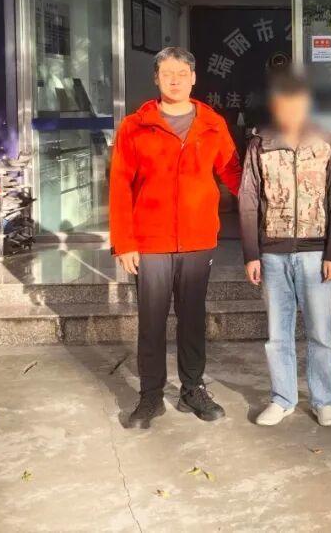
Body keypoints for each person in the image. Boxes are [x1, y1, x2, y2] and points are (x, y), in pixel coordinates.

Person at [110, 47, 242, 429]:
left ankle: (192, 389)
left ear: (194, 78)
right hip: (150, 241)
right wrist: (125, 242)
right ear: (156, 78)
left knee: (193, 318)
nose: (175, 80)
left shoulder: (213, 124)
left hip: (198, 239)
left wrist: (268, 201)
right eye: (167, 73)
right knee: (151, 322)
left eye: (182, 73)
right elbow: (119, 185)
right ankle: (150, 395)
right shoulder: (135, 126)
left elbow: (233, 172)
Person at [239, 72, 331, 427]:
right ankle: (282, 398)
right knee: (277, 334)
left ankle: (324, 400)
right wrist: (251, 254)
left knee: (320, 333)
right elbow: (248, 200)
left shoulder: (326, 143)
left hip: (316, 253)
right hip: (272, 252)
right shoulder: (260, 144)